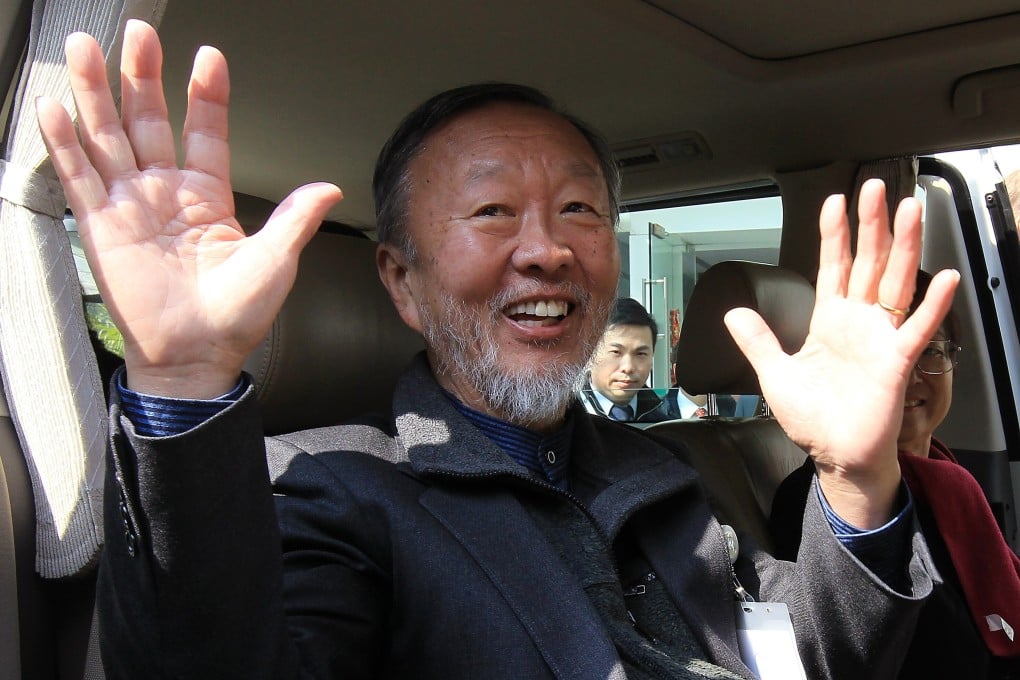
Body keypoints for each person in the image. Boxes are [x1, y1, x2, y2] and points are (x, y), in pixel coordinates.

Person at [37, 20, 963, 679]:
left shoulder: (661, 471)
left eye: (578, 210)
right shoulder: (329, 489)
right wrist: (185, 383)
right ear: (401, 282)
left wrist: (854, 479)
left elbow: (818, 658)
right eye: (490, 212)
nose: (546, 249)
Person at [770, 270, 1020, 679]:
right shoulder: (823, 504)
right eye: (880, 354)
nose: (907, 374)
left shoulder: (949, 479)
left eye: (930, 350)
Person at [579, 297, 671, 422]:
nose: (628, 367)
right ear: (589, 354)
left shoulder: (663, 421)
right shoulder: (565, 418)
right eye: (616, 352)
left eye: (640, 354)